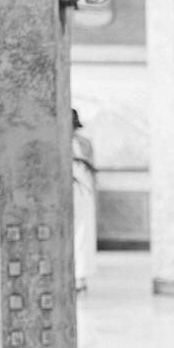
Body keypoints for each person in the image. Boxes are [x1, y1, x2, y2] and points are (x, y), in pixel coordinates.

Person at [71, 109, 97, 292]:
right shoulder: (81, 143)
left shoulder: (84, 144)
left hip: (82, 193)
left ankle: (80, 276)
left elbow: (91, 172)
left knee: (83, 233)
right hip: (76, 192)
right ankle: (76, 276)